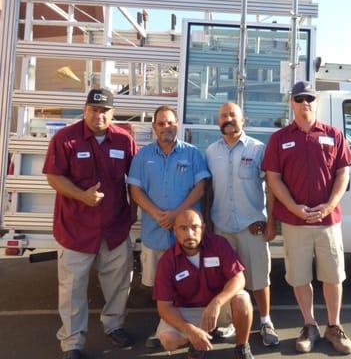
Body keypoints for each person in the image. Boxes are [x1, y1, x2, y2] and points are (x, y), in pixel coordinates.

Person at [43, 88, 138, 359]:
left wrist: (133, 212)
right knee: (72, 288)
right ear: (85, 110)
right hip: (75, 229)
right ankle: (72, 342)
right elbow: (54, 177)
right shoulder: (65, 139)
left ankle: (114, 326)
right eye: (94, 110)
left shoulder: (124, 139)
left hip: (115, 229)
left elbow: (136, 178)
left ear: (112, 113)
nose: (99, 115)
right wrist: (82, 196)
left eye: (104, 110)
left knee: (119, 283)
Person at [262, 81, 351, 355]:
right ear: (291, 102)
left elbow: (343, 173)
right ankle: (309, 325)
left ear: (316, 102)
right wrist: (292, 207)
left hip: (328, 221)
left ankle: (334, 326)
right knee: (300, 276)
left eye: (310, 98)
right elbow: (273, 178)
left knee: (333, 276)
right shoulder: (279, 139)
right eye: (300, 98)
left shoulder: (333, 135)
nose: (305, 103)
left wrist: (329, 205)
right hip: (295, 222)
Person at [127, 105, 210, 347]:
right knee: (160, 287)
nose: (166, 127)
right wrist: (155, 213)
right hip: (155, 232)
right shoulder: (143, 156)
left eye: (170, 123)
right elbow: (135, 189)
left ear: (177, 125)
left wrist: (177, 215)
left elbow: (200, 189)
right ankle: (164, 326)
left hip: (186, 236)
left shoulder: (193, 154)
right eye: (161, 123)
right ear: (154, 127)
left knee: (189, 283)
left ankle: (190, 328)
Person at [204, 102, 279, 347]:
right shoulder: (210, 152)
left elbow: (271, 187)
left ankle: (266, 321)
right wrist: (206, 224)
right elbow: (208, 192)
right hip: (222, 229)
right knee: (225, 279)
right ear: (218, 121)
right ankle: (227, 323)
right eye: (223, 116)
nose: (228, 119)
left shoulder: (258, 149)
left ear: (242, 119)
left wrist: (271, 224)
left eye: (233, 115)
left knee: (259, 278)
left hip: (252, 227)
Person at [153, 208, 255, 359]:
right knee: (169, 341)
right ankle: (196, 341)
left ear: (204, 228)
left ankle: (242, 347)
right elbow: (164, 307)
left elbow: (239, 278)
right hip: (187, 312)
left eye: (195, 227)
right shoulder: (167, 261)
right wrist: (189, 330)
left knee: (242, 299)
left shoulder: (219, 244)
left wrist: (217, 302)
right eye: (183, 228)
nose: (189, 234)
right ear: (175, 230)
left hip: (218, 307)